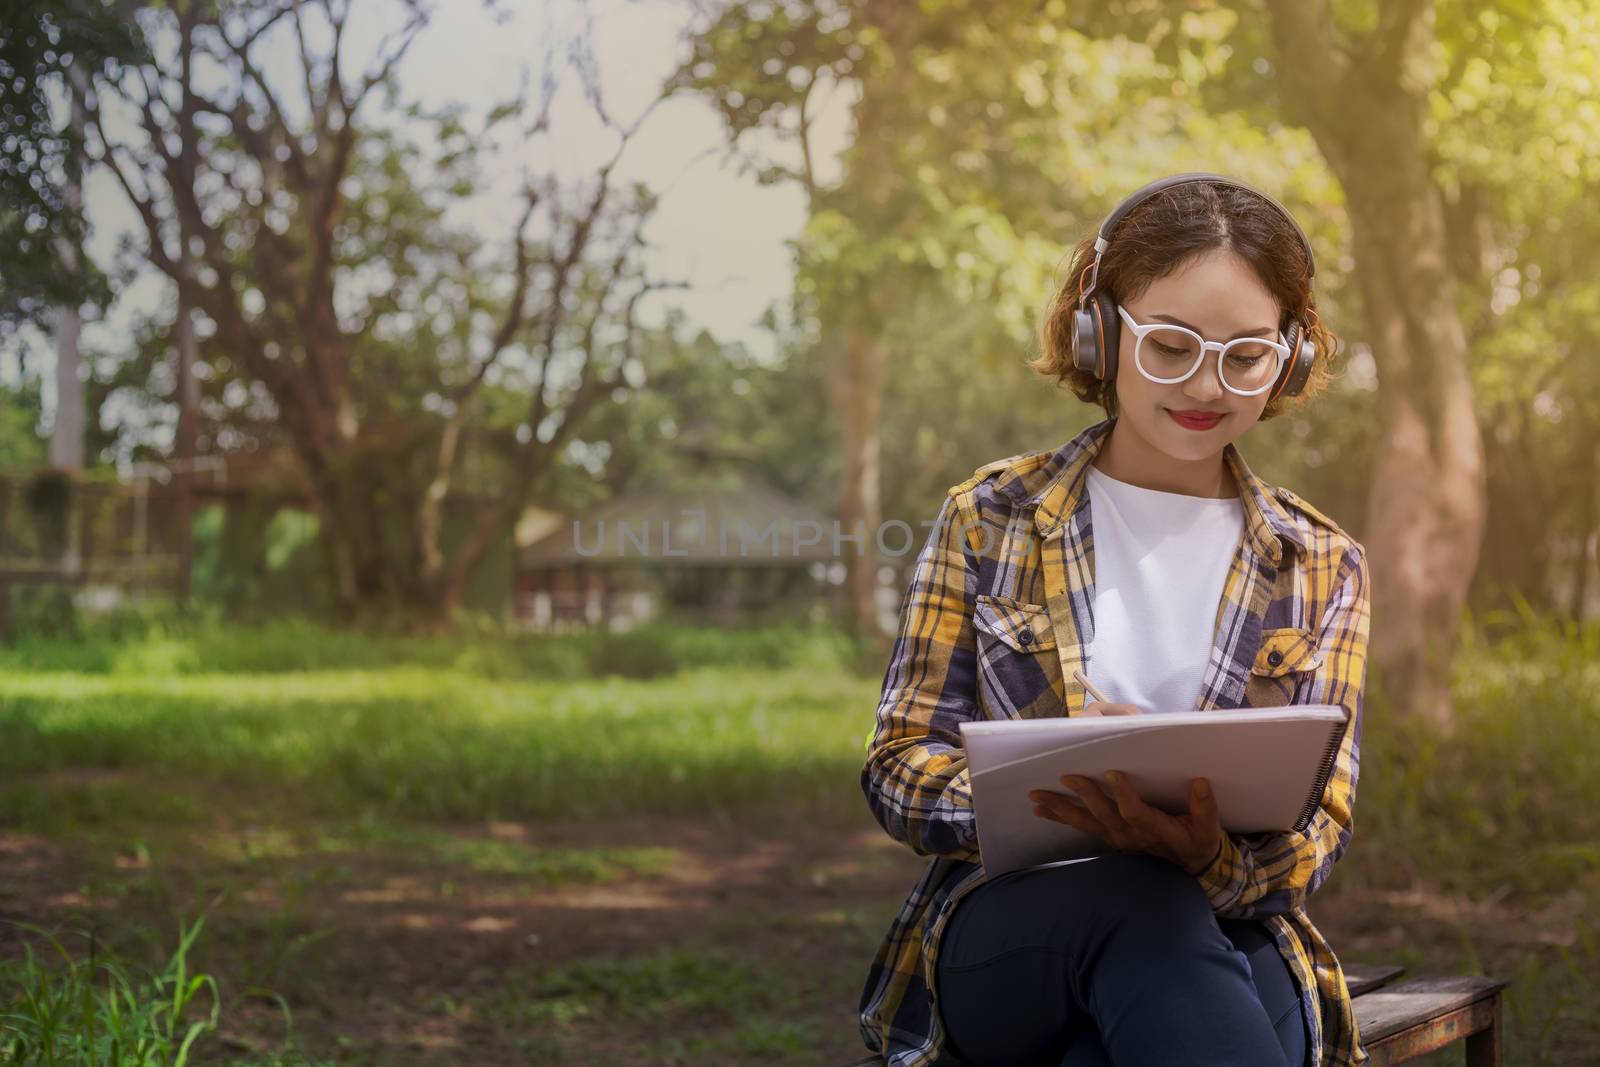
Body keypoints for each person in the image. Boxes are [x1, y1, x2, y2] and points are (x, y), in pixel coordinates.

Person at [855, 173, 1373, 1067]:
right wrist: (1046, 793)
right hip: (1017, 930)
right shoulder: (990, 515)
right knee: (1139, 902)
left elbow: (1318, 830)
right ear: (1100, 332)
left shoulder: (1324, 562)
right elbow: (899, 763)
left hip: (1230, 929)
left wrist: (1209, 855)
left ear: (1286, 358)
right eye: (1170, 345)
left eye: (1244, 354)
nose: (1206, 383)